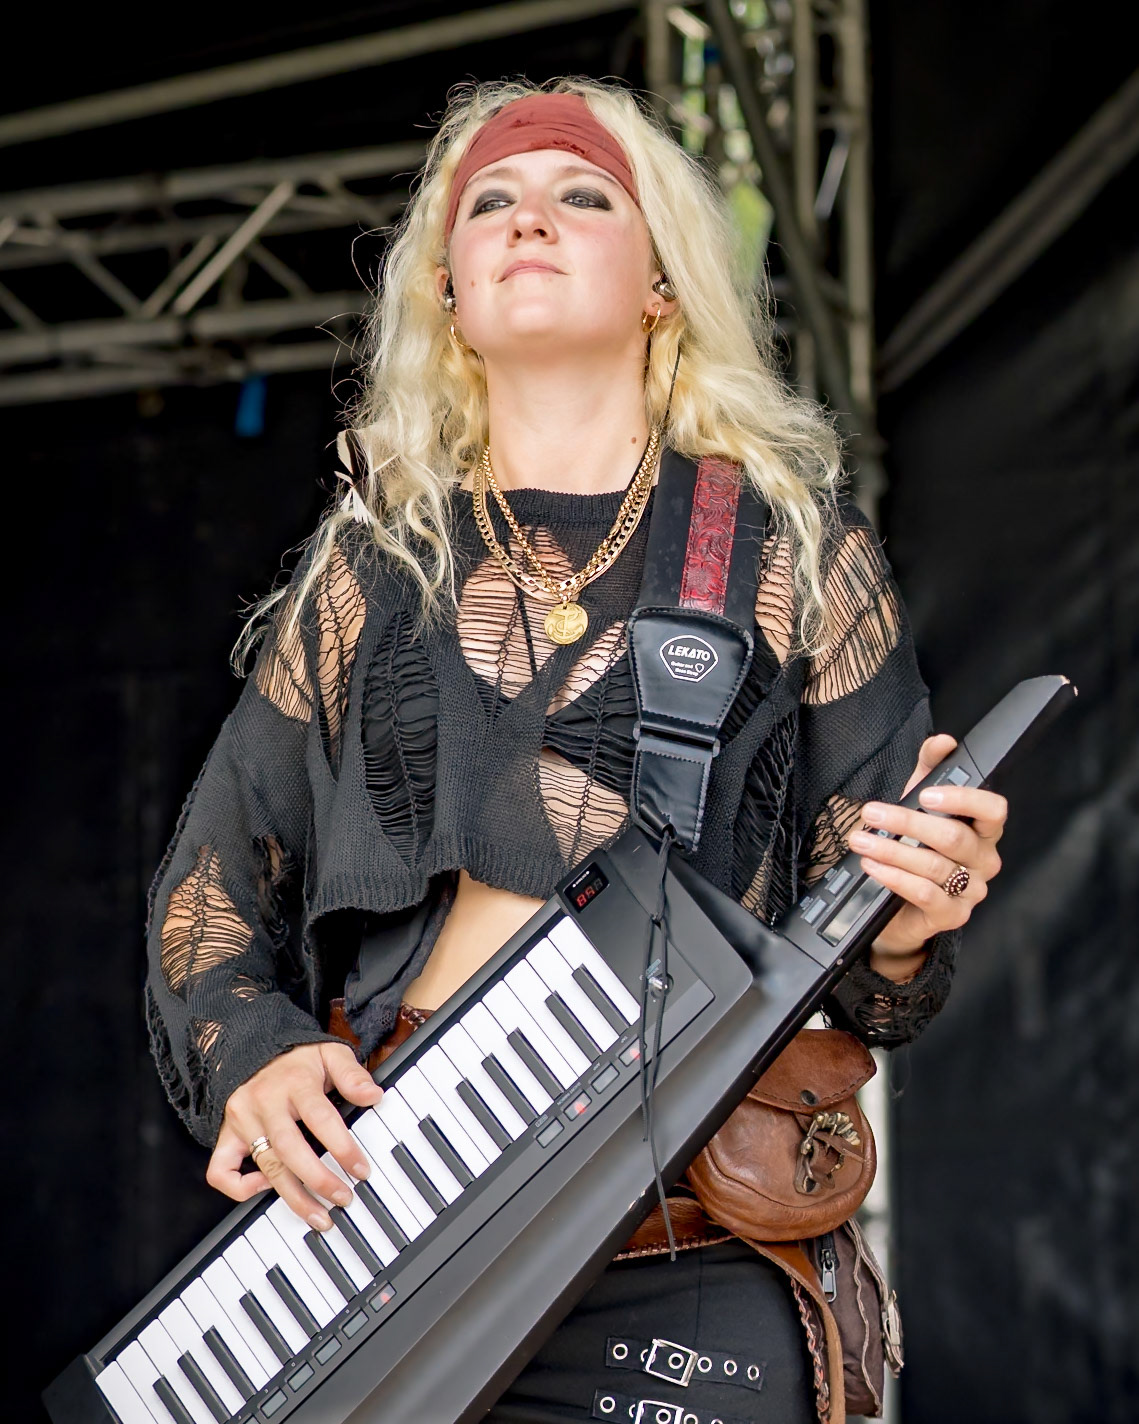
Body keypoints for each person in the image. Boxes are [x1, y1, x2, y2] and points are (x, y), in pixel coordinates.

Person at [145, 79, 1007, 1424]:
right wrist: (254, 1050)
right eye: (491, 200)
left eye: (581, 195)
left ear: (662, 280)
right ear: (450, 290)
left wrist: (914, 916)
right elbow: (210, 876)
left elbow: (879, 951)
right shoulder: (374, 561)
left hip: (684, 1232)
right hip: (392, 1220)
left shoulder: (791, 547)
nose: (529, 217)